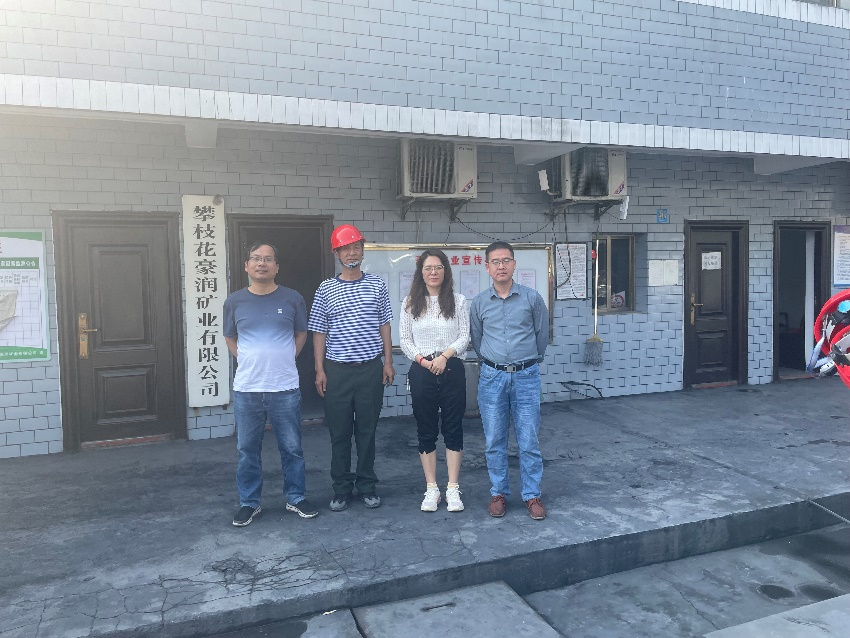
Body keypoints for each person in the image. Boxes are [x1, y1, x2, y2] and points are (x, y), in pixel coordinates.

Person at [223, 242, 318, 527]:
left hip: (284, 387)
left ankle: (296, 497)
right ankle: (249, 503)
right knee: (247, 450)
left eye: (267, 259)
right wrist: (247, 359)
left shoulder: (292, 299)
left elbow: (301, 334)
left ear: (277, 267)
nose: (261, 263)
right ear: (246, 266)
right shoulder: (234, 302)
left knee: (292, 448)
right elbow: (230, 337)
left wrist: (285, 357)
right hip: (247, 389)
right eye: (255, 259)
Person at [309, 224, 395, 511]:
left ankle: (367, 485)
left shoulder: (377, 285)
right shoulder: (326, 289)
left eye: (356, 247)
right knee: (340, 433)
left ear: (363, 250)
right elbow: (319, 331)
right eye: (345, 249)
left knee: (367, 432)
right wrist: (320, 370)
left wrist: (388, 362)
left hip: (370, 369)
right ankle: (341, 488)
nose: (351, 253)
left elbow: (385, 324)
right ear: (336, 253)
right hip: (337, 371)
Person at [470, 241, 549, 520]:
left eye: (506, 261)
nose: (501, 266)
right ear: (487, 267)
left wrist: (529, 361)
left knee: (528, 439)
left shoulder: (532, 298)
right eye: (495, 261)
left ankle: (532, 495)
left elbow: (541, 336)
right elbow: (477, 340)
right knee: (494, 439)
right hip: (492, 378)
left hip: (526, 376)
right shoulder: (480, 302)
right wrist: (493, 363)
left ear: (514, 264)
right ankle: (499, 493)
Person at [400, 249, 470, 513]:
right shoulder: (410, 303)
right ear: (421, 272)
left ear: (445, 271)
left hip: (451, 368)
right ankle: (431, 488)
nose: (433, 272)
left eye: (438, 267)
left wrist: (444, 357)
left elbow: (464, 336)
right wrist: (424, 361)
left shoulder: (458, 301)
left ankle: (452, 488)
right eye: (428, 268)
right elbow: (405, 340)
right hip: (422, 370)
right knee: (426, 429)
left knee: (453, 427)